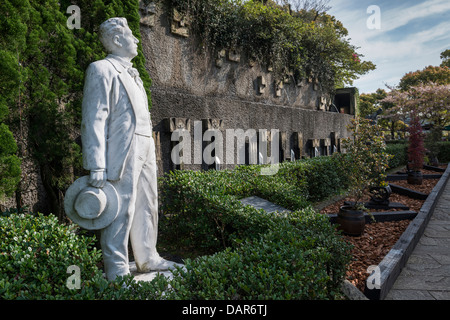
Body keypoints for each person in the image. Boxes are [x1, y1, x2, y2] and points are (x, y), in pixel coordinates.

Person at [81, 17, 174, 280]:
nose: (136, 39)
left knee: (147, 202)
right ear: (117, 40)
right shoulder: (101, 69)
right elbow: (94, 118)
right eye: (130, 35)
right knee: (121, 207)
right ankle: (117, 269)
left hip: (145, 142)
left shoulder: (133, 73)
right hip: (122, 149)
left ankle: (148, 257)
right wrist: (96, 163)